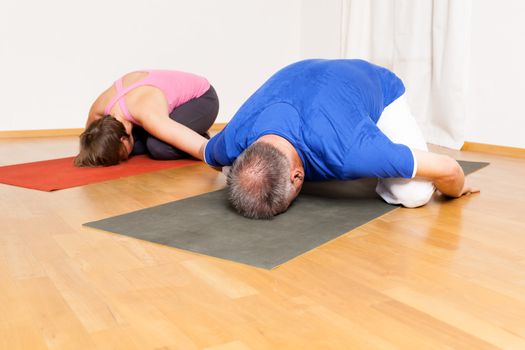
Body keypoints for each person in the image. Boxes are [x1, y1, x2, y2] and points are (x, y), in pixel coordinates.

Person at [202, 59, 479, 219]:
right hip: (302, 75)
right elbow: (207, 152)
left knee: (414, 193)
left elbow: (449, 169)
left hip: (377, 86)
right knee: (229, 169)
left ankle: (387, 167)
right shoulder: (233, 139)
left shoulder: (348, 150)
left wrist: (458, 189)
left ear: (299, 178)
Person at [75, 69, 219, 167]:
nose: (123, 159)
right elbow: (90, 137)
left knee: (157, 147)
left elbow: (205, 150)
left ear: (123, 139)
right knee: (137, 146)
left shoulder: (149, 114)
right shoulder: (97, 111)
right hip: (158, 105)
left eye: (123, 155)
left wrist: (221, 159)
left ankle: (198, 133)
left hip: (202, 99)